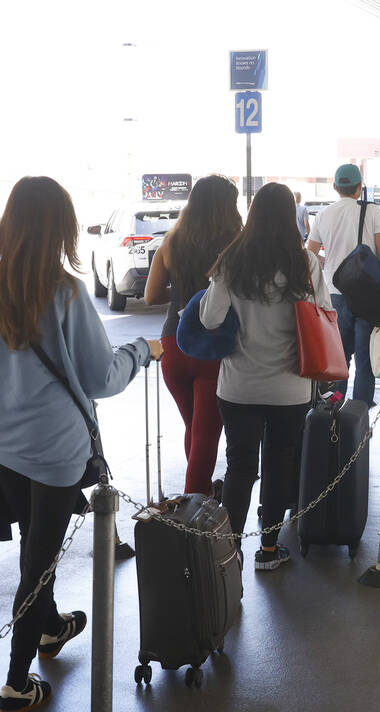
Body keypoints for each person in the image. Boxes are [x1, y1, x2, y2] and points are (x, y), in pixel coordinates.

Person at [0, 176, 161, 712]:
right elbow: (101, 376)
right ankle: (16, 685)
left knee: (34, 546)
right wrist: (144, 349)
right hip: (55, 451)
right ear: (61, 229)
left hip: (0, 444)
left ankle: (47, 628)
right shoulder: (64, 292)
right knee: (38, 563)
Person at [202, 183, 332, 572]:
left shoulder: (232, 261)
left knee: (240, 466)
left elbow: (209, 319)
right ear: (290, 217)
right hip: (290, 388)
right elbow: (324, 313)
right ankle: (270, 551)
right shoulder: (304, 264)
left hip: (239, 386)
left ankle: (230, 555)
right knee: (279, 464)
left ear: (253, 214)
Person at [144, 174, 241, 495]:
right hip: (212, 349)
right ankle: (194, 508)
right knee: (205, 435)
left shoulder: (171, 242)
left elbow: (150, 295)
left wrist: (182, 293)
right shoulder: (234, 245)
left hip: (173, 345)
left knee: (195, 429)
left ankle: (200, 495)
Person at [306, 163, 380, 406]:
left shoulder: (323, 216)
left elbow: (310, 254)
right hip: (367, 296)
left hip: (334, 295)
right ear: (359, 188)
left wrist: (329, 264)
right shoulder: (373, 212)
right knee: (365, 361)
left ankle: (334, 411)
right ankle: (360, 417)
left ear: (335, 187)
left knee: (339, 359)